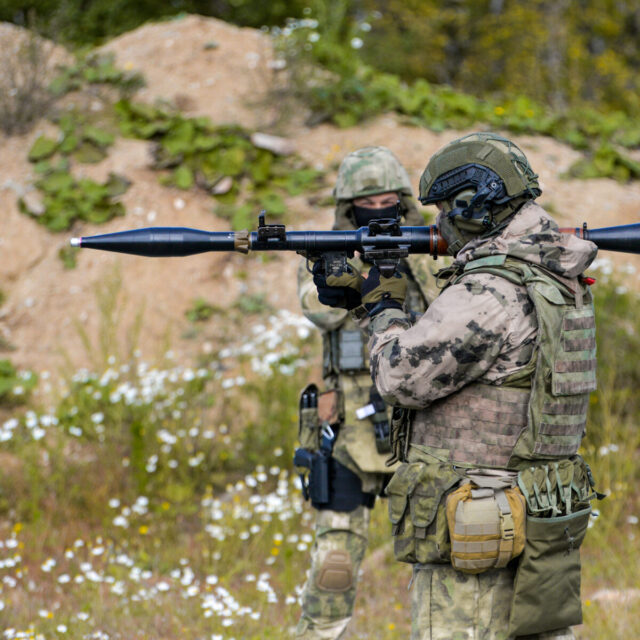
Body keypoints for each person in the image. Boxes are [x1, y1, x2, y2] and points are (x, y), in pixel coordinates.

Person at [313, 133, 601, 640]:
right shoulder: (555, 274)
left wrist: (381, 309)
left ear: (475, 206)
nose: (441, 221)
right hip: (537, 510)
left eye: (446, 207)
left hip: (479, 518)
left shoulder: (488, 291)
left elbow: (401, 378)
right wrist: (367, 300)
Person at [294, 146, 440, 639]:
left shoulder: (430, 247)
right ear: (347, 207)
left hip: (421, 420)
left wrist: (406, 262)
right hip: (347, 426)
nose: (378, 212)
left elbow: (451, 309)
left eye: (387, 202)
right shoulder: (323, 248)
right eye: (366, 203)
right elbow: (321, 310)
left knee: (441, 554)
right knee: (334, 557)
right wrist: (354, 271)